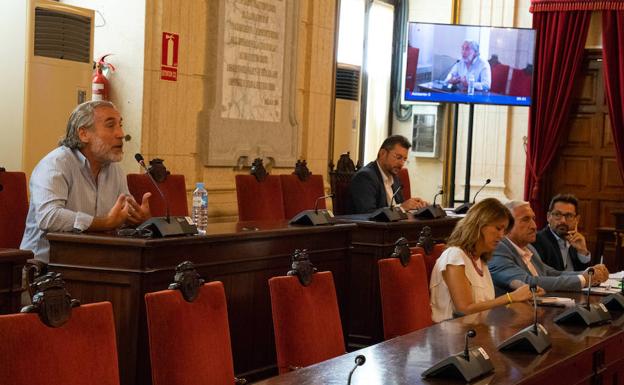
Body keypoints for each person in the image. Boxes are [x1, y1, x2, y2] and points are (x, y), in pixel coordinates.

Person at [20, 101, 152, 262]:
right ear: (83, 134)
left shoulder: (114, 169)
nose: (121, 133)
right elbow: (49, 217)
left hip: (93, 264)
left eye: (120, 125)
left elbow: (121, 216)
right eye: (110, 126)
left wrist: (140, 219)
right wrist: (104, 223)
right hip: (46, 270)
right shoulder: (55, 164)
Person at [430, 198, 543, 323]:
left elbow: (485, 307)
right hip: (450, 335)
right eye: (498, 228)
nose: (501, 236)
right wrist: (511, 297)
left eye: (504, 231)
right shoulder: (455, 256)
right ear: (479, 225)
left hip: (476, 331)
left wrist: (520, 296)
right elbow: (464, 310)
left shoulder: (481, 260)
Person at [489, 201, 609, 296]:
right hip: (512, 319)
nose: (534, 226)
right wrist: (583, 279)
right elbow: (527, 282)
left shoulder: (528, 247)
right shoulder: (498, 249)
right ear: (506, 225)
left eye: (533, 219)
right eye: (525, 219)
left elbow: (549, 272)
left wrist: (590, 273)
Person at [348, 135, 428, 214]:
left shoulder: (395, 178)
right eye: (398, 157)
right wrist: (401, 208)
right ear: (383, 153)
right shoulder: (365, 177)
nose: (401, 163)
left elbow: (403, 207)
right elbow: (368, 214)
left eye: (404, 159)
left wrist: (417, 207)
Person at [532, 194, 591, 272]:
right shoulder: (538, 240)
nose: (563, 220)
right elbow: (547, 276)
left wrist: (582, 251)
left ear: (577, 219)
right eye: (557, 214)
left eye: (569, 215)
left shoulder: (575, 240)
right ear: (548, 217)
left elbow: (586, 276)